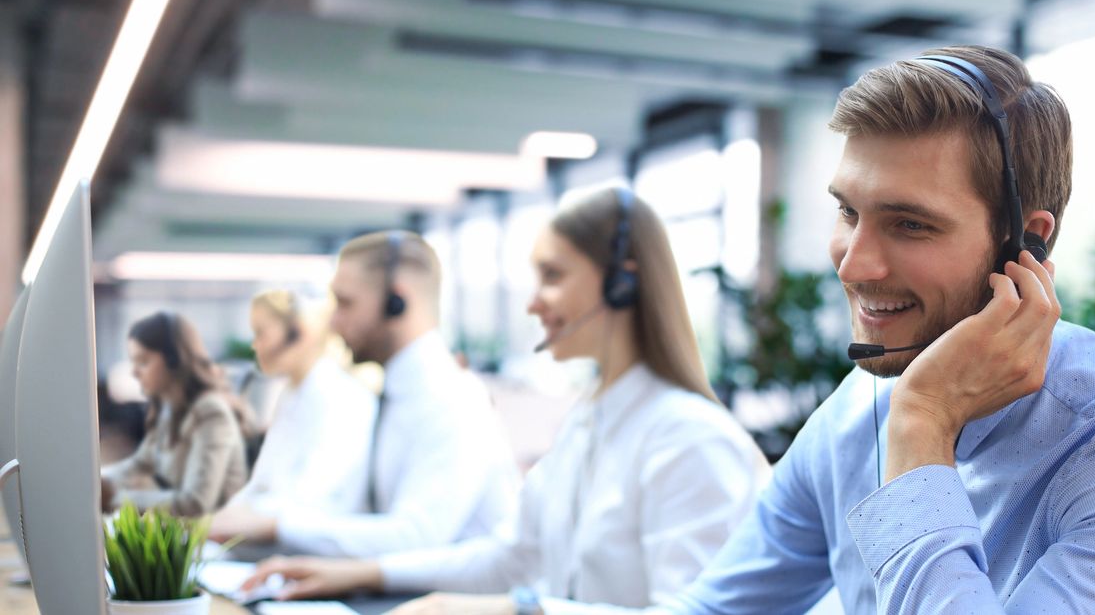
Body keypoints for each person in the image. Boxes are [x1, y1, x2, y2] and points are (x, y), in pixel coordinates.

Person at [667, 45, 1095, 614]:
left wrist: (922, 426)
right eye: (848, 212)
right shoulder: (852, 413)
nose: (851, 265)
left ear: (1024, 240)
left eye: (910, 224)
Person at [241, 189, 771, 614]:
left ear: (621, 283)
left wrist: (521, 610)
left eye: (553, 276)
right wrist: (363, 574)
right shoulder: (588, 422)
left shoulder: (689, 437)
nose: (532, 302)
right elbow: (511, 556)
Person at [209, 231, 518, 558]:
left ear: (396, 303)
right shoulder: (395, 396)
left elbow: (417, 537)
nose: (333, 324)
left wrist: (277, 525)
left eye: (345, 303)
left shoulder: (453, 400)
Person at [209, 290, 377, 536]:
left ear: (299, 332)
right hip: (274, 539)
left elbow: (316, 504)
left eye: (261, 333)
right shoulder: (291, 395)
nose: (256, 345)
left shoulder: (341, 397)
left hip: (311, 549)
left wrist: (229, 522)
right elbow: (261, 485)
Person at [101, 311, 251, 516]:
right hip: (189, 535)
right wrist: (98, 480)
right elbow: (140, 463)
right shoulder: (170, 410)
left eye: (143, 361)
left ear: (174, 360)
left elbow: (195, 503)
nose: (134, 372)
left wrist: (117, 500)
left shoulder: (210, 412)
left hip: (218, 538)